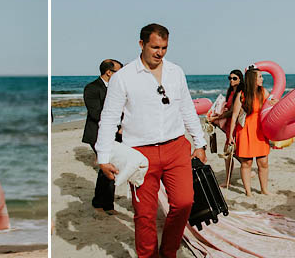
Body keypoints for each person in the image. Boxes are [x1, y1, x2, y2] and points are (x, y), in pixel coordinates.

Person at [95, 23, 208, 258]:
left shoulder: (176, 72)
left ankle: (169, 251)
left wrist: (200, 143)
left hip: (176, 147)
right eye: (155, 47)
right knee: (144, 214)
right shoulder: (123, 78)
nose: (160, 52)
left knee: (184, 202)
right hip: (140, 153)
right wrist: (103, 157)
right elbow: (109, 118)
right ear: (142, 44)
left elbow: (187, 108)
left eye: (164, 47)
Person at [81, 58, 123, 215]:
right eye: (119, 72)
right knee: (106, 167)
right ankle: (100, 203)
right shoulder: (91, 88)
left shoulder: (117, 88)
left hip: (115, 133)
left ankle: (107, 204)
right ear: (109, 72)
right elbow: (95, 113)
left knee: (112, 167)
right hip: (97, 134)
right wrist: (118, 127)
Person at [228, 67, 273, 195]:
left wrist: (274, 103)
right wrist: (230, 135)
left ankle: (264, 190)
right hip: (245, 131)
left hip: (260, 131)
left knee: (263, 162)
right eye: (260, 76)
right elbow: (234, 116)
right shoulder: (241, 95)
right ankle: (248, 192)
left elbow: (272, 106)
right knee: (247, 163)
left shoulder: (263, 92)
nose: (262, 79)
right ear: (253, 79)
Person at [206, 70, 245, 185]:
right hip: (229, 125)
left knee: (229, 152)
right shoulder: (230, 92)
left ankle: (232, 178)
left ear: (240, 80)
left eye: (234, 78)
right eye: (230, 78)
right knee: (230, 153)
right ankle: (244, 168)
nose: (231, 80)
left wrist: (215, 119)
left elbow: (233, 112)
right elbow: (229, 109)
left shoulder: (239, 92)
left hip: (235, 126)